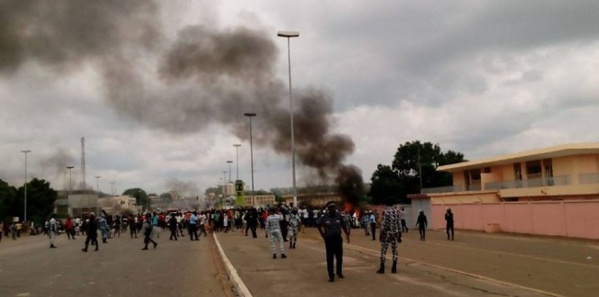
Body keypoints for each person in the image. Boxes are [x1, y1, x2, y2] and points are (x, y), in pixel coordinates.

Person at [317, 201, 350, 283]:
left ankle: (339, 272)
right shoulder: (324, 217)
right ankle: (331, 275)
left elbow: (343, 225)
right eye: (331, 207)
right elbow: (318, 224)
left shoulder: (339, 216)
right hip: (329, 239)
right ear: (328, 209)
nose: (333, 209)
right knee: (330, 257)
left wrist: (347, 235)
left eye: (334, 207)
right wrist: (322, 235)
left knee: (339, 256)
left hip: (338, 239)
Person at [377, 205, 402, 274]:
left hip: (387, 233)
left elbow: (383, 224)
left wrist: (381, 234)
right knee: (395, 250)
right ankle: (394, 268)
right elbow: (399, 223)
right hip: (395, 233)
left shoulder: (386, 212)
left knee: (384, 250)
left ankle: (382, 268)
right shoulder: (397, 212)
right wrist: (400, 235)